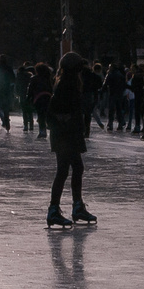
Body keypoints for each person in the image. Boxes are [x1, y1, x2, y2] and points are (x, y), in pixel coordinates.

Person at [46, 52, 95, 227]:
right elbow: (54, 111)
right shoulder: (67, 86)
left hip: (67, 134)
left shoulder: (67, 83)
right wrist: (67, 122)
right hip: (66, 135)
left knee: (72, 169)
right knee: (65, 170)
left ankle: (74, 206)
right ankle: (57, 209)